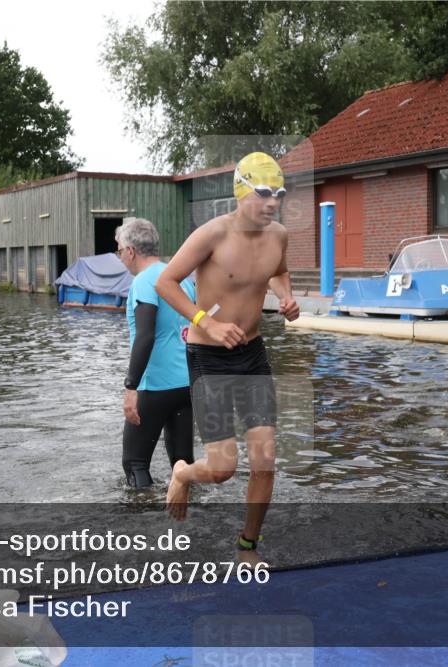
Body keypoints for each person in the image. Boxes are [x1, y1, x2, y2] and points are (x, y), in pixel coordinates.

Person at [155, 151, 300, 559]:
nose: (272, 202)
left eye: (279, 194)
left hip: (253, 354)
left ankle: (247, 544)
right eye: (264, 193)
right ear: (242, 192)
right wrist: (208, 322)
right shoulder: (212, 235)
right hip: (209, 356)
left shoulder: (279, 236)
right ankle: (183, 472)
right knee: (222, 469)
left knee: (265, 459)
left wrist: (286, 297)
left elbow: (278, 271)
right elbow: (166, 282)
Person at [117, 218, 197, 487]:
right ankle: (186, 518)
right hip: (186, 385)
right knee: (183, 463)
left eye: (119, 251)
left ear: (130, 251)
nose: (120, 257)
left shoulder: (143, 282)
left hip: (154, 388)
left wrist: (131, 387)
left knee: (135, 464)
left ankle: (144, 523)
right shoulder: (181, 279)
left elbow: (145, 335)